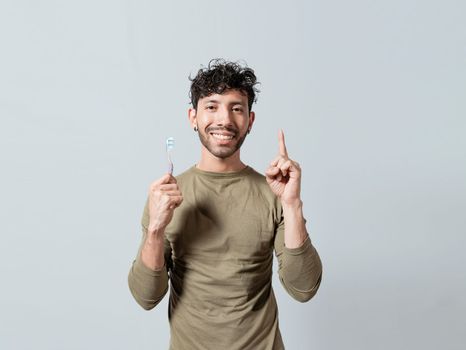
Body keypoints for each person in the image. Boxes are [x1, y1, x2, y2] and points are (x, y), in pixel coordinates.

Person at [128, 59, 322, 350]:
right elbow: (146, 296)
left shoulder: (275, 193)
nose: (225, 120)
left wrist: (292, 205)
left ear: (250, 121)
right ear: (192, 117)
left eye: (236, 108)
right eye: (212, 106)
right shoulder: (167, 196)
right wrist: (156, 229)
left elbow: (303, 287)